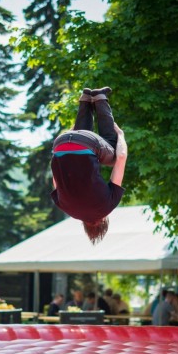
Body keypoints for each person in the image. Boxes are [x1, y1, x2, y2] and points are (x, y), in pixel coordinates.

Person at [50, 87, 128, 244]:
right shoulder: (66, 207)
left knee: (112, 156)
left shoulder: (107, 206)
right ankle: (85, 99)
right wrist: (70, 136)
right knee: (83, 150)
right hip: (59, 144)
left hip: (85, 143)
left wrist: (121, 136)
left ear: (103, 220)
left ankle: (100, 97)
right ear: (83, 225)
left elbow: (121, 157)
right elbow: (56, 176)